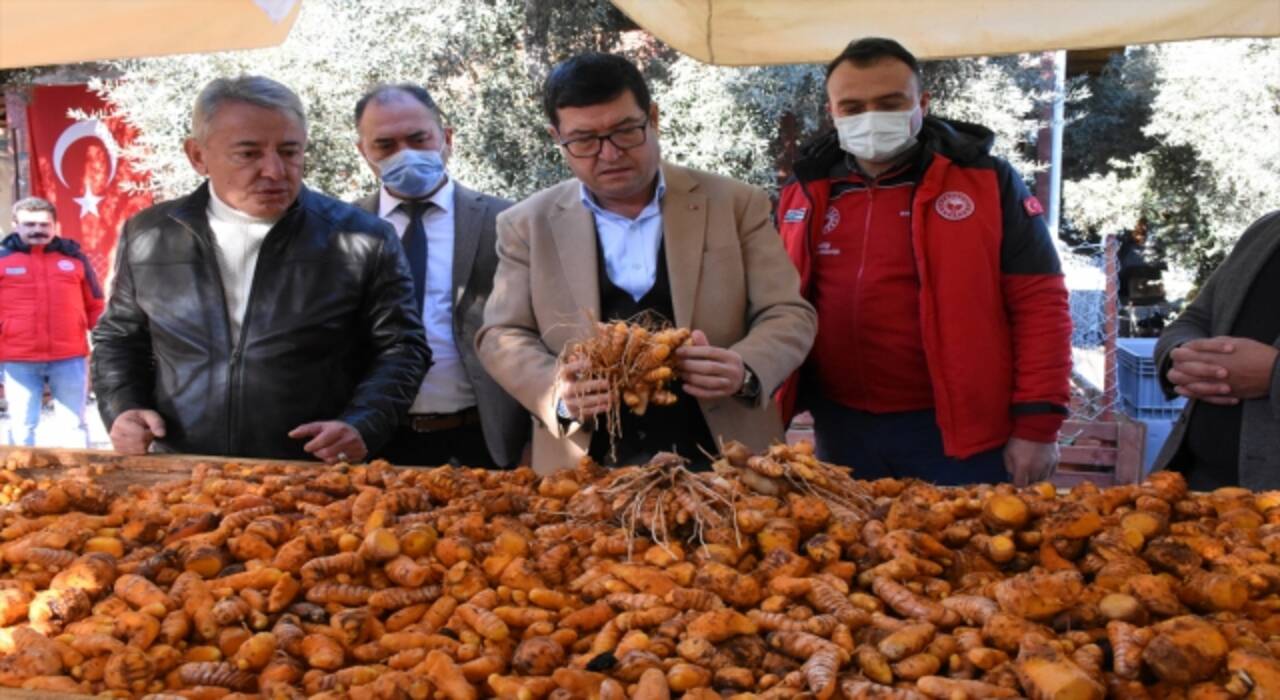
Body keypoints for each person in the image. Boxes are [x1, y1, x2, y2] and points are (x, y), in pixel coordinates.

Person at [478, 52, 816, 474]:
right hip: (584, 469)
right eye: (584, 141)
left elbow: (788, 313)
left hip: (728, 460)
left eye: (625, 131)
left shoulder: (735, 203)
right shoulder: (526, 224)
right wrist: (557, 396)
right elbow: (501, 334)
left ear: (652, 118)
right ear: (557, 138)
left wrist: (746, 369)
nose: (610, 154)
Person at [776, 37, 1072, 486]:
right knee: (852, 553)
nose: (871, 118)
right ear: (832, 112)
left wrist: (1037, 425)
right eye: (853, 107)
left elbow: (1040, 305)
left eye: (890, 103)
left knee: (967, 556)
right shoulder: (804, 190)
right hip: (841, 430)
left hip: (959, 438)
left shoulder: (987, 182)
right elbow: (777, 302)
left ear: (923, 103)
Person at [92, 76, 429, 463]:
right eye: (248, 154)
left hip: (312, 474)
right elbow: (118, 339)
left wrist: (362, 424)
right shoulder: (150, 233)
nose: (274, 170)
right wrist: (123, 408)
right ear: (197, 156)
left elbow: (403, 348)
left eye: (289, 151)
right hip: (182, 471)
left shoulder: (363, 238)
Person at [353, 84, 528, 468]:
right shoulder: (342, 230)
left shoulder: (508, 222)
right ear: (364, 152)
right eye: (385, 145)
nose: (406, 154)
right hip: (373, 443)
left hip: (482, 439)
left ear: (446, 139)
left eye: (419, 138)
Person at [1153, 210, 1280, 490]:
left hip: (1269, 510)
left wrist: (1272, 374)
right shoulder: (1267, 228)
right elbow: (1194, 319)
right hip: (1193, 487)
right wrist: (1183, 356)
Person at [0, 197, 104, 447]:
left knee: (74, 424)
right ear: (16, 225)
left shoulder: (75, 258)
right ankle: (20, 481)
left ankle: (81, 482)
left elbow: (95, 303)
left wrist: (105, 341)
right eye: (30, 224)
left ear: (55, 225)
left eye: (45, 224)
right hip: (18, 359)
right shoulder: (2, 259)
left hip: (70, 357)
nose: (38, 230)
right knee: (22, 424)